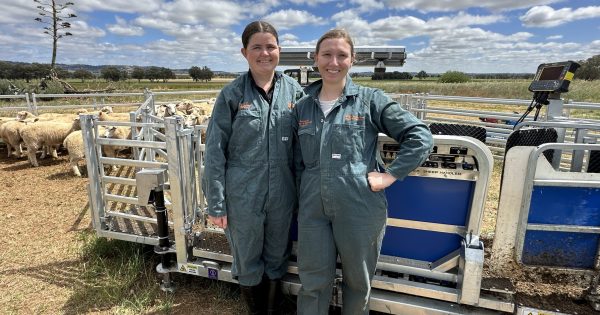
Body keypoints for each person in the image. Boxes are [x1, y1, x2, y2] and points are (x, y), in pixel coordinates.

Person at [292, 29, 433, 314]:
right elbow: (296, 160)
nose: (334, 62)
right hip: (312, 210)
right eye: (327, 54)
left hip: (359, 206)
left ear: (352, 59)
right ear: (315, 59)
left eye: (341, 55)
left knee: (358, 283)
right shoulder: (302, 105)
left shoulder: (370, 100)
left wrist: (390, 174)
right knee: (312, 282)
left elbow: (420, 136)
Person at [202, 21, 304, 315]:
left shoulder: (294, 92)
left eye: (270, 46)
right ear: (244, 52)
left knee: (276, 256)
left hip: (283, 194)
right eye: (256, 47)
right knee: (247, 258)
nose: (264, 53)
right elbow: (215, 152)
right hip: (243, 195)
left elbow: (302, 148)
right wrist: (217, 203)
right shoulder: (232, 95)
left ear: (279, 51)